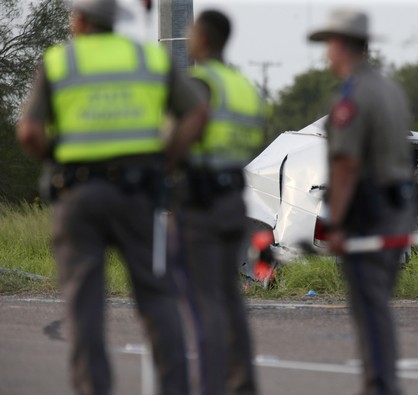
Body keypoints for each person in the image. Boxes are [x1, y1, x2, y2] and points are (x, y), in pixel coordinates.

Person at [17, 0, 207, 394]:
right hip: (138, 193)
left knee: (84, 307)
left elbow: (29, 133)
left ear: (81, 20)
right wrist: (167, 158)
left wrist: (58, 157)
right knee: (157, 298)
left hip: (79, 194)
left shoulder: (59, 62)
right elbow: (197, 112)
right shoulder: (149, 59)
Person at [308, 9, 416, 395]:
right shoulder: (390, 89)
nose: (326, 54)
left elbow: (346, 163)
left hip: (369, 212)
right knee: (378, 303)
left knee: (369, 308)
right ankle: (382, 383)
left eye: (328, 45)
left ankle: (381, 386)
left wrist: (334, 224)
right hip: (398, 208)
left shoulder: (352, 95)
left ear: (340, 45)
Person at [166, 9, 268, 395]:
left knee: (201, 300)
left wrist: (161, 162)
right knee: (228, 298)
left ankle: (209, 386)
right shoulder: (242, 85)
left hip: (200, 204)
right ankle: (242, 384)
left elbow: (180, 135)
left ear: (204, 37)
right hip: (233, 201)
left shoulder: (201, 83)